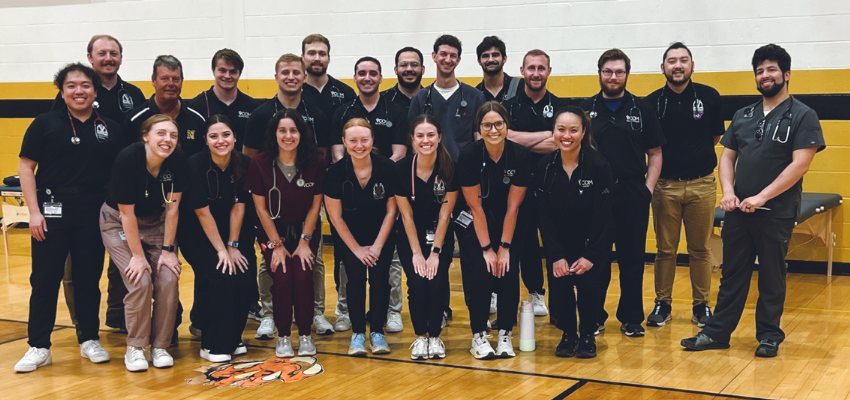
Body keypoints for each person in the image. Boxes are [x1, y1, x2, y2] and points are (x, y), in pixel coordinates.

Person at [682, 44, 825, 358]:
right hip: (739, 213)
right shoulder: (743, 115)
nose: (765, 75)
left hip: (776, 212)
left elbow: (800, 164)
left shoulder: (803, 115)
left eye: (771, 69)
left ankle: (769, 336)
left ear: (786, 74)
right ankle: (717, 333)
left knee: (772, 276)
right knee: (732, 274)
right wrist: (729, 192)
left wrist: (761, 196)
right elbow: (727, 157)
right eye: (760, 70)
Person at [14, 63, 123, 373]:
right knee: (45, 280)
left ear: (95, 90)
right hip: (51, 211)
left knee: (88, 279)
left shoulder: (110, 128)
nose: (79, 91)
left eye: (85, 85)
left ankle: (89, 339)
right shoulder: (44, 124)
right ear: (62, 92)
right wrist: (33, 212)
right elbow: (25, 167)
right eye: (72, 86)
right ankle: (39, 345)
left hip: (94, 212)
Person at [49, 34, 145, 333]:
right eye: (101, 53)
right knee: (75, 266)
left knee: (123, 259)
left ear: (120, 57)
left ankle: (117, 317)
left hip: (119, 193)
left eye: (114, 53)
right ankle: (83, 323)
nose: (108, 58)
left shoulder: (132, 94)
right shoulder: (72, 94)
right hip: (75, 193)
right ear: (90, 57)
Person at [242, 53, 335, 338]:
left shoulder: (316, 115)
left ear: (304, 77)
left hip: (306, 201)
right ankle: (269, 314)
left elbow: (323, 156)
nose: (291, 77)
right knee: (267, 263)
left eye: (297, 72)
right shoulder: (260, 115)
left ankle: (316, 313)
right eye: (285, 72)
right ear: (276, 76)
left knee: (313, 262)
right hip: (270, 208)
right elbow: (248, 159)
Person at [580, 49, 665, 337]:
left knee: (632, 260)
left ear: (627, 74)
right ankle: (594, 317)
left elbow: (655, 153)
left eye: (618, 72)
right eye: (608, 71)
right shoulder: (586, 110)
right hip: (595, 197)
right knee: (596, 260)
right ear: (599, 73)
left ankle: (631, 318)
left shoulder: (643, 109)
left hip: (632, 193)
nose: (613, 77)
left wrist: (647, 190)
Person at [644, 42, 725, 328]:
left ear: (692, 65)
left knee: (700, 249)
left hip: (702, 185)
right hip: (665, 186)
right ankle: (662, 304)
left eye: (683, 60)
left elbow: (715, 138)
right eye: (671, 61)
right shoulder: (651, 102)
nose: (677, 65)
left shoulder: (709, 97)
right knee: (665, 249)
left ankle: (702, 306)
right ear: (663, 67)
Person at [331, 56, 409, 333]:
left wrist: (378, 170)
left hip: (382, 190)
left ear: (381, 77)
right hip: (351, 198)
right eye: (362, 73)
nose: (367, 77)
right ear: (354, 77)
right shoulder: (342, 111)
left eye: (373, 73)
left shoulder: (396, 110)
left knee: (389, 263)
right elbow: (337, 153)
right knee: (347, 265)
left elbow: (399, 152)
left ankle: (392, 311)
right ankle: (344, 311)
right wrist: (353, 168)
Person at [101, 114, 184, 372]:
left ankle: (160, 346)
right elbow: (127, 214)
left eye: (172, 135)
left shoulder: (177, 159)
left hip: (157, 221)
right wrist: (137, 256)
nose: (167, 140)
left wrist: (169, 251)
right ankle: (136, 347)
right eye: (161, 133)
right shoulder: (128, 159)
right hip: (119, 221)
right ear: (145, 136)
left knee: (169, 277)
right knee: (140, 280)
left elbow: (172, 209)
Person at [534, 106, 614, 359]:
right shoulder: (544, 167)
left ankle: (588, 334)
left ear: (583, 132)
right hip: (559, 245)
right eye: (561, 129)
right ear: (554, 132)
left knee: (590, 288)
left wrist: (591, 254)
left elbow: (604, 216)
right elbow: (543, 217)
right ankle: (568, 334)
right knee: (561, 289)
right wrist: (556, 254)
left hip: (592, 245)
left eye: (573, 130)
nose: (566, 136)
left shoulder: (598, 166)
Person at [246, 109, 325, 358]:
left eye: (293, 130)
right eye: (282, 130)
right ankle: (282, 336)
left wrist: (305, 241)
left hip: (305, 230)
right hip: (272, 232)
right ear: (274, 133)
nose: (288, 135)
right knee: (281, 276)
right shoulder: (259, 163)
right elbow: (260, 207)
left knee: (302, 275)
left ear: (301, 133)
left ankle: (305, 335)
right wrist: (276, 244)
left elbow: (315, 205)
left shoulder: (315, 161)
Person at [177, 115, 256, 362]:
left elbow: (239, 206)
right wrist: (221, 251)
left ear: (234, 138)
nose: (220, 140)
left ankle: (233, 337)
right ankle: (212, 343)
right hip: (198, 233)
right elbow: (202, 212)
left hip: (234, 231)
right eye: (214, 136)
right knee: (220, 274)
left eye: (226, 135)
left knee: (244, 274)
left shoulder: (244, 162)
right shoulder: (194, 164)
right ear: (206, 140)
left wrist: (233, 245)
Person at [456, 101, 532, 359]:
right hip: (475, 220)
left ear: (506, 126)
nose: (493, 130)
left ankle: (505, 334)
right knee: (482, 272)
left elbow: (513, 207)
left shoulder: (520, 155)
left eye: (498, 124)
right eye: (487, 125)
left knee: (508, 272)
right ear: (479, 128)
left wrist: (504, 248)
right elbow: (474, 206)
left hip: (509, 220)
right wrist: (488, 249)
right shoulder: (468, 155)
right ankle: (478, 335)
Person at [324, 118, 398, 356]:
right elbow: (335, 217)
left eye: (364, 140)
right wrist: (357, 249)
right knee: (354, 281)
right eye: (353, 140)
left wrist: (377, 246)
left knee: (380, 281)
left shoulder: (387, 167)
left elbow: (392, 210)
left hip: (381, 236)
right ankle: (357, 334)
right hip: (350, 238)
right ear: (344, 142)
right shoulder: (335, 173)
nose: (359, 145)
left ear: (372, 140)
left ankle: (377, 332)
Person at [503, 49, 564, 319]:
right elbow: (505, 138)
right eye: (531, 68)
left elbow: (562, 142)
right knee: (524, 244)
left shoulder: (562, 107)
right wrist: (548, 136)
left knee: (555, 244)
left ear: (549, 71)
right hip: (520, 187)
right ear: (522, 71)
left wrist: (523, 139)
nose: (536, 73)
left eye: (541, 68)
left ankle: (559, 299)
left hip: (555, 187)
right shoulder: (509, 107)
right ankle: (534, 293)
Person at [394, 115, 459, 360]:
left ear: (439, 137)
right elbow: (406, 216)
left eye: (431, 135)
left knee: (437, 281)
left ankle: (436, 336)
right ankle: (421, 337)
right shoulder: (401, 169)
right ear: (412, 140)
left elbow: (445, 216)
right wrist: (417, 254)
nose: (426, 140)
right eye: (420, 135)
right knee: (417, 283)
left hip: (439, 235)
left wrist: (435, 253)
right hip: (411, 237)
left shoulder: (449, 167)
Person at [409, 34, 486, 161]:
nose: (448, 59)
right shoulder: (419, 99)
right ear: (434, 56)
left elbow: (480, 137)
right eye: (443, 54)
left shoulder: (475, 97)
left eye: (453, 56)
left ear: (458, 60)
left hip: (464, 170)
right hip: (430, 169)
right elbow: (413, 141)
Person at [124, 55, 207, 155]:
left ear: (182, 82)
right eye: (164, 78)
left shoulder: (197, 120)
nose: (171, 84)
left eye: (176, 79)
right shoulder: (135, 120)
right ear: (153, 81)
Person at [187, 49, 261, 154]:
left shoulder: (253, 108)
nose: (227, 76)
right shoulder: (196, 107)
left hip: (243, 169)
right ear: (213, 70)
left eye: (233, 71)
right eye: (222, 70)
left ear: (239, 74)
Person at [301, 34, 357, 120]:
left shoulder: (347, 93)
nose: (317, 58)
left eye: (322, 54)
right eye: (311, 53)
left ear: (329, 58)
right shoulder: (295, 93)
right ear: (303, 57)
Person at [475, 36, 524, 103]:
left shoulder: (522, 86)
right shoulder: (475, 95)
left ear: (504, 59)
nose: (490, 60)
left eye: (495, 55)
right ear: (479, 61)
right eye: (485, 56)